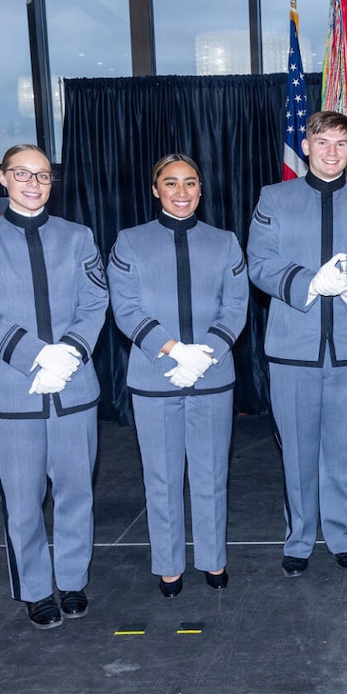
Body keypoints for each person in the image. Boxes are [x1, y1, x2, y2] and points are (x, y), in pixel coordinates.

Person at [0, 144, 108, 628]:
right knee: (22, 499)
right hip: (12, 391)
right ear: (3, 178)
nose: (33, 183)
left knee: (75, 491)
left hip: (74, 387)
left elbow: (95, 303)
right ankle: (36, 590)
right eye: (22, 174)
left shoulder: (79, 236)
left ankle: (72, 581)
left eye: (42, 175)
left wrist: (69, 353)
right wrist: (36, 355)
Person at [246, 111, 347, 577]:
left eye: (341, 143)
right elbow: (259, 261)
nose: (332, 152)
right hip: (293, 348)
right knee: (295, 449)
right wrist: (309, 283)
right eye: (323, 142)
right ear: (306, 147)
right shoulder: (274, 198)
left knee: (341, 449)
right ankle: (298, 539)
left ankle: (340, 533)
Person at [108, 154, 248, 597]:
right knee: (162, 477)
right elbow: (126, 308)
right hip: (155, 377)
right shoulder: (129, 242)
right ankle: (168, 566)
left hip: (212, 374)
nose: (182, 192)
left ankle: (213, 559)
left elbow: (236, 306)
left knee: (210, 473)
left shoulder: (225, 242)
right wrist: (173, 351)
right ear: (156, 190)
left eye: (190, 183)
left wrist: (203, 354)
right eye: (171, 183)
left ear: (201, 189)